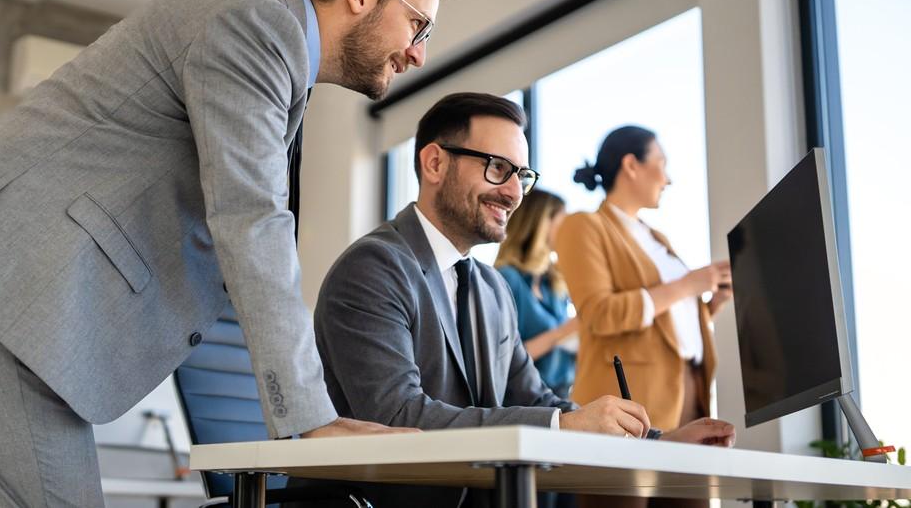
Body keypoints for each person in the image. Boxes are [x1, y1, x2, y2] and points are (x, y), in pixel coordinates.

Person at [0, 0, 459, 507]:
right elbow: (251, 219)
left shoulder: (267, 48)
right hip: (0, 283)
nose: (417, 53)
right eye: (418, 24)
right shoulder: (255, 26)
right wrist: (309, 418)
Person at [306, 95, 735, 508]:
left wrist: (657, 440)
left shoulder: (493, 289)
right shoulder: (372, 268)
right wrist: (564, 426)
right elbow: (397, 415)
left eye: (522, 176)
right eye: (497, 168)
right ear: (434, 163)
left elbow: (537, 401)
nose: (514, 193)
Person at [555, 125, 734, 508]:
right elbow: (600, 313)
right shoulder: (584, 226)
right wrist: (688, 284)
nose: (668, 178)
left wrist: (707, 307)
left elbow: (663, 323)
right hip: (627, 406)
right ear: (631, 165)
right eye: (662, 163)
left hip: (689, 401)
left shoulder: (657, 239)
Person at [495, 189, 578, 397]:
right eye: (563, 222)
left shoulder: (554, 284)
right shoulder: (507, 279)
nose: (569, 230)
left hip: (560, 397)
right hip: (523, 404)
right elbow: (501, 358)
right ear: (541, 223)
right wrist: (562, 333)